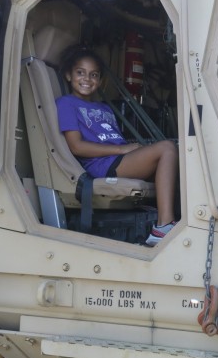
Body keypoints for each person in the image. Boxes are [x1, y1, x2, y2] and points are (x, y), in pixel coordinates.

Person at [55, 47, 179, 246]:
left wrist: (132, 148)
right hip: (101, 165)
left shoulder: (104, 108)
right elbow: (77, 147)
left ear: (100, 80)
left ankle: (179, 221)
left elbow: (114, 140)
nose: (87, 78)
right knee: (167, 149)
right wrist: (122, 150)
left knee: (179, 153)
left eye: (93, 74)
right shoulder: (66, 104)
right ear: (69, 75)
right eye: (80, 72)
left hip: (117, 158)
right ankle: (163, 227)